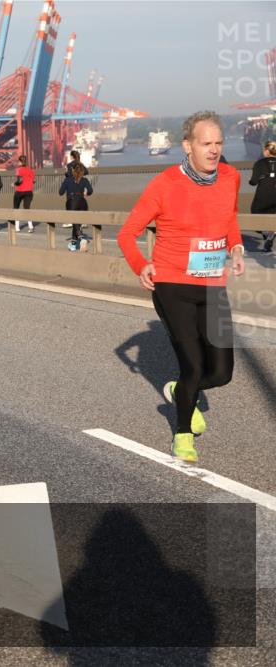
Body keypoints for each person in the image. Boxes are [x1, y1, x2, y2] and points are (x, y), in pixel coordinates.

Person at [117, 110, 244, 463]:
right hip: (172, 285)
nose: (214, 150)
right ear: (188, 146)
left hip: (212, 285)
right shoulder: (165, 184)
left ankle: (178, 390)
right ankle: (183, 434)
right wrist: (142, 265)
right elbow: (127, 233)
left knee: (221, 373)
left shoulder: (230, 177)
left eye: (218, 143)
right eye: (206, 143)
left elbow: (229, 218)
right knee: (193, 367)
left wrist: (235, 245)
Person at [249, 140, 276, 253]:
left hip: (263, 195)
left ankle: (268, 233)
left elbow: (253, 182)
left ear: (266, 151)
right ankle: (271, 233)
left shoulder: (259, 164)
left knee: (256, 215)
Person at [60, 163, 94, 251]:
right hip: (83, 202)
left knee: (75, 222)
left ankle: (81, 237)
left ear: (72, 170)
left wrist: (65, 184)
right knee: (77, 224)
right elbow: (90, 190)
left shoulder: (68, 180)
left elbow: (60, 192)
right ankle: (74, 244)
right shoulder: (84, 180)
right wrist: (86, 193)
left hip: (72, 202)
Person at [11, 155, 35, 233]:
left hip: (20, 191)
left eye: (19, 161)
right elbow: (33, 180)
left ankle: (17, 227)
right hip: (29, 191)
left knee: (16, 208)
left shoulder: (19, 170)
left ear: (20, 162)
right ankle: (30, 226)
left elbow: (19, 181)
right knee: (27, 209)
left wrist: (14, 184)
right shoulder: (30, 170)